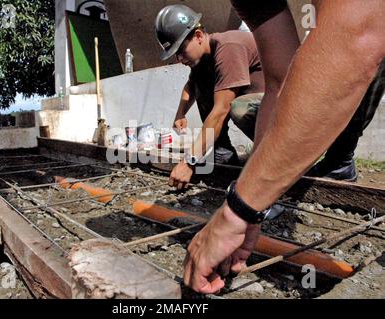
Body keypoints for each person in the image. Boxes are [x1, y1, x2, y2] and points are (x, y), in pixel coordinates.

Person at [181, 0, 385, 294]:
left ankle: (340, 161)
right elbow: (280, 81)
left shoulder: (227, 47)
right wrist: (253, 201)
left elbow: (359, 34)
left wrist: (235, 212)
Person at [155, 5, 265, 190]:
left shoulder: (228, 47)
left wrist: (189, 161)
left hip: (284, 108)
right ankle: (223, 152)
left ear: (198, 36)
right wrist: (180, 113)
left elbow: (220, 111)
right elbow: (191, 85)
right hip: (261, 105)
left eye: (181, 51)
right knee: (202, 84)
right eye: (176, 55)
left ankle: (278, 157)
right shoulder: (203, 59)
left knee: (239, 107)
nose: (179, 59)